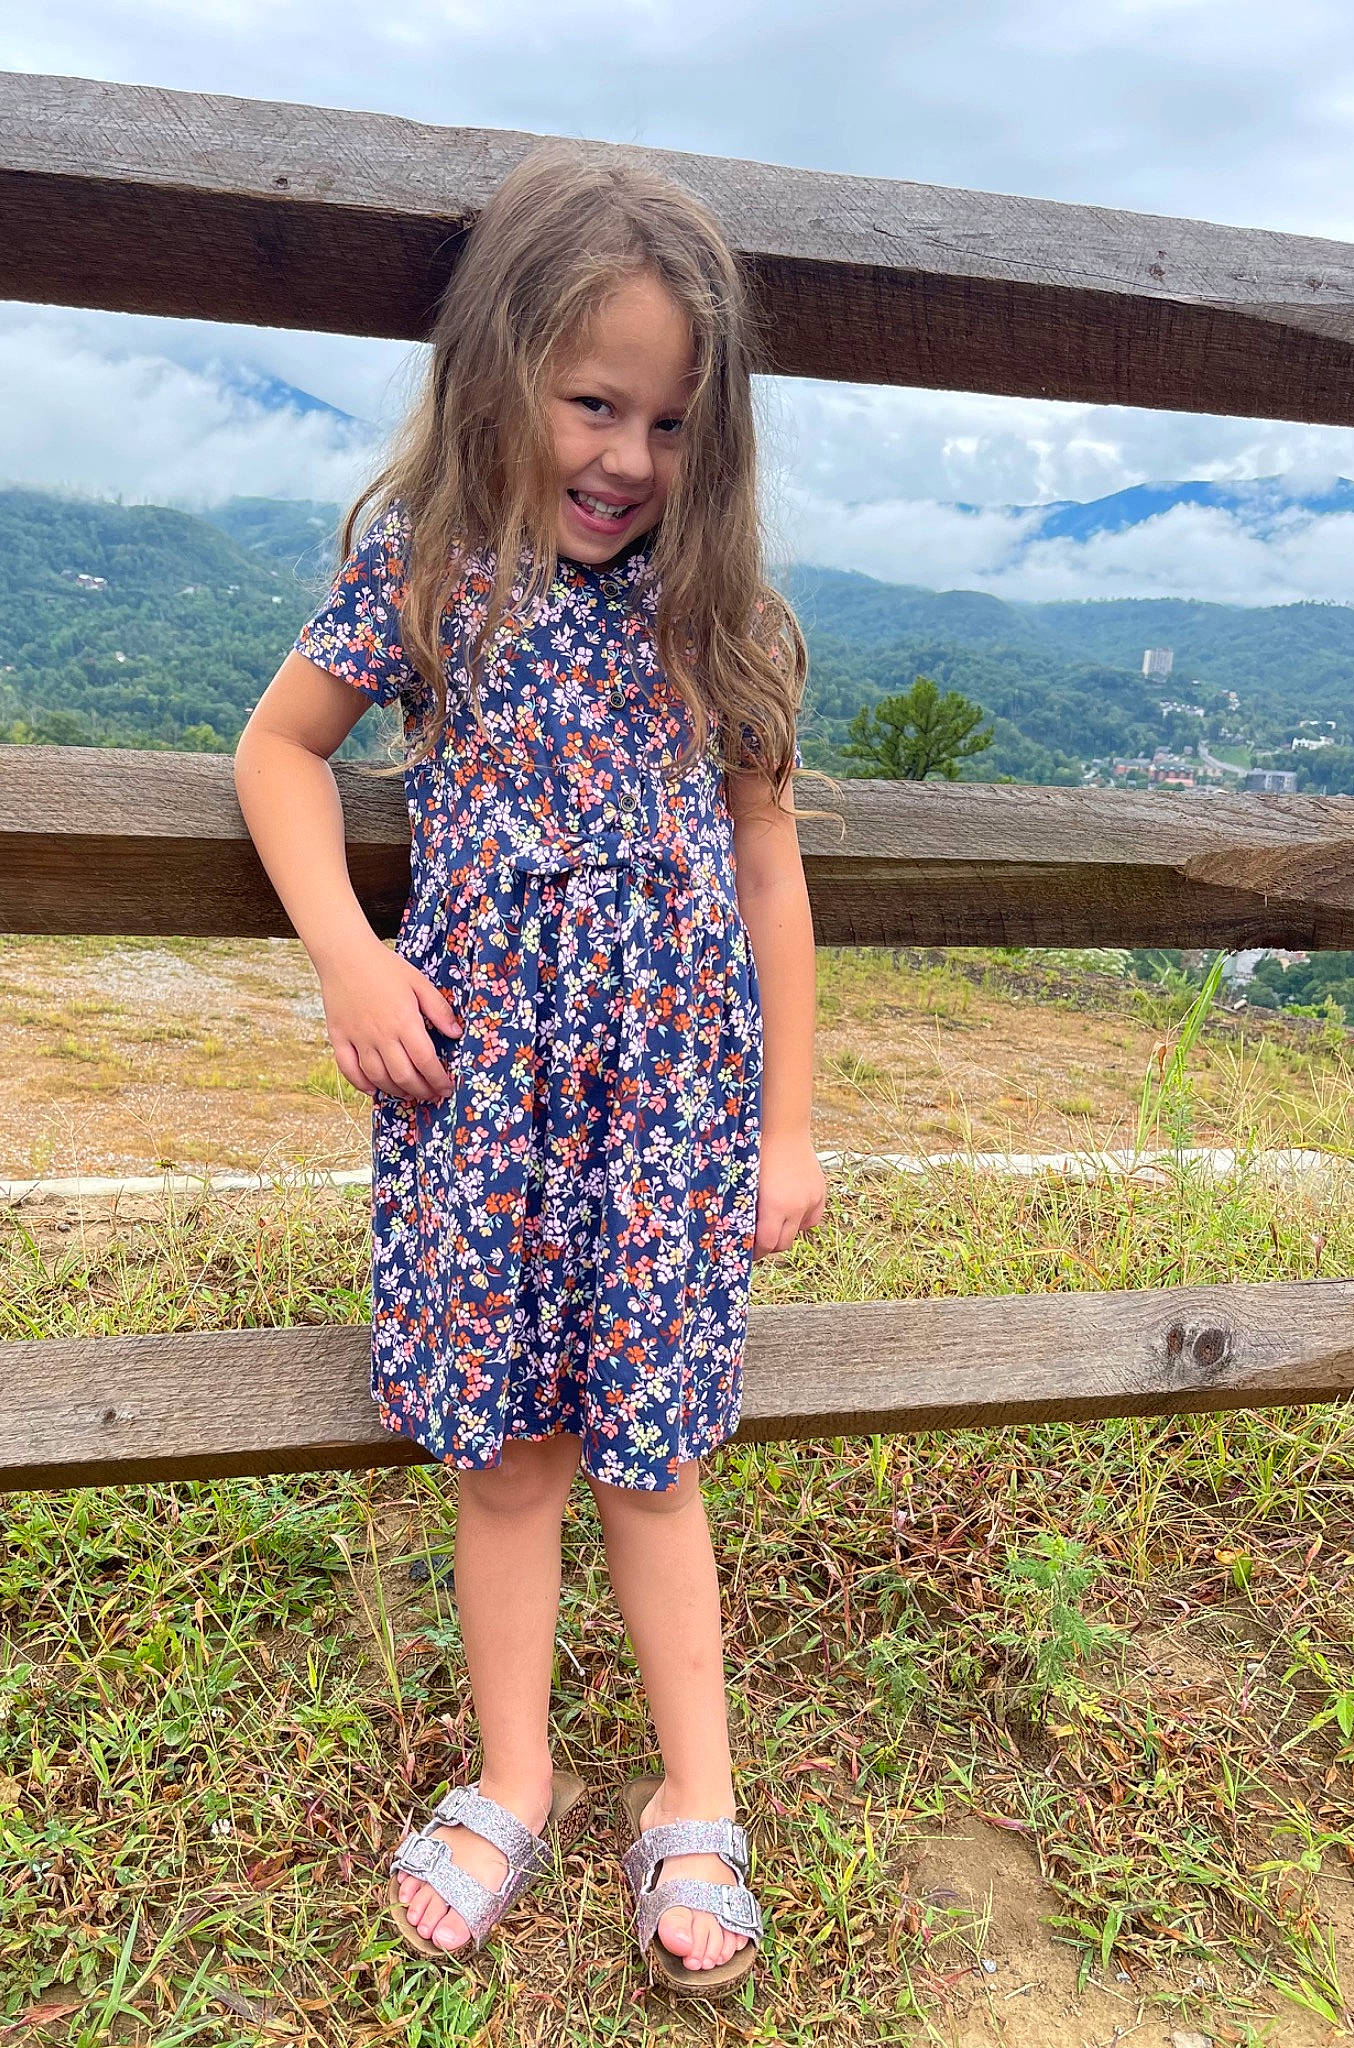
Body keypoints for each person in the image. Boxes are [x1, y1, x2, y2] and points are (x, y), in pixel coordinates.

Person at [233, 142, 826, 2001]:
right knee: (506, 1455)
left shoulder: (711, 609)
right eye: (592, 401)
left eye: (666, 421)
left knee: (655, 1463)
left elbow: (768, 862)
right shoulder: (423, 573)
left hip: (671, 1113)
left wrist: (788, 1123)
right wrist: (353, 950)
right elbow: (277, 752)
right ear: (497, 369)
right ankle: (514, 1775)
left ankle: (696, 1796)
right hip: (477, 1100)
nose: (624, 458)